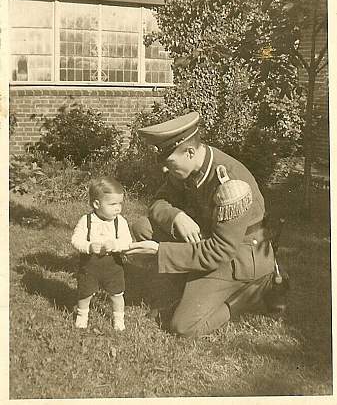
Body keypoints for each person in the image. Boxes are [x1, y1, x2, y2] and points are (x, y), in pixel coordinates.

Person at [125, 112, 288, 338]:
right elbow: (158, 203)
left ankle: (256, 290)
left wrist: (160, 252)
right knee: (144, 226)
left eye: (168, 162)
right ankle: (183, 290)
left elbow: (220, 250)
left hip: (238, 255)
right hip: (210, 239)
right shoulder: (187, 165)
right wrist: (176, 216)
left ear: (190, 151)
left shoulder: (230, 183)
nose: (164, 169)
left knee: (184, 326)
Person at [71, 176, 133, 331]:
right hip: (90, 265)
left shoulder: (120, 222)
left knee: (117, 294)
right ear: (96, 204)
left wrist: (116, 245)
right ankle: (82, 315)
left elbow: (127, 242)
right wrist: (89, 246)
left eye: (120, 203)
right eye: (112, 204)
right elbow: (75, 240)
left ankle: (118, 319)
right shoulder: (86, 221)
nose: (118, 208)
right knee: (85, 293)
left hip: (113, 265)